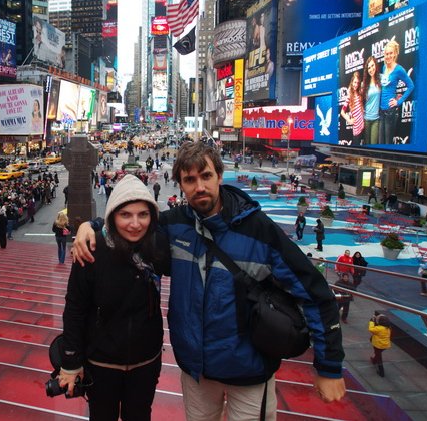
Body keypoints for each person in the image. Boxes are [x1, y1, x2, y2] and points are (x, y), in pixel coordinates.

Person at [72, 141, 346, 419]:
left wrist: (329, 366)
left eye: (205, 176)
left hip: (249, 370)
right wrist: (90, 226)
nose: (199, 186)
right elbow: (131, 221)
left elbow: (315, 293)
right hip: (197, 371)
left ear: (219, 174)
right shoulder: (174, 224)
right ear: (180, 183)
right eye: (189, 179)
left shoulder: (260, 230)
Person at [58, 175, 169, 418]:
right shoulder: (92, 249)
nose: (135, 223)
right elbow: (75, 308)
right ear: (113, 216)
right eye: (125, 215)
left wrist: (91, 222)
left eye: (143, 214)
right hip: (102, 364)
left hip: (145, 362)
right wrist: (70, 362)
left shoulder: (158, 245)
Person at [378, 40, 414, 145]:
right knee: (380, 143)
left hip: (390, 111)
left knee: (387, 144)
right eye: (386, 54)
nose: (388, 56)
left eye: (390, 53)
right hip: (381, 111)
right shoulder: (384, 67)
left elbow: (411, 86)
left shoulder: (399, 69)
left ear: (394, 54)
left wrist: (398, 102)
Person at [340, 71, 365, 146]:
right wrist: (349, 120)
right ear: (352, 82)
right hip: (356, 128)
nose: (356, 85)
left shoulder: (359, 92)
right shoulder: (349, 96)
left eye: (357, 83)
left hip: (363, 125)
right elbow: (342, 112)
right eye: (354, 82)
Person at [361, 57, 381, 144]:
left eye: (372, 66)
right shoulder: (364, 84)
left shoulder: (380, 80)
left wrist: (396, 97)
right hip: (366, 119)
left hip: (376, 120)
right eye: (369, 67)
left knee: (373, 145)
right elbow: (360, 100)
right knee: (367, 145)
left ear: (375, 66)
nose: (371, 69)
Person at [369, 313, 392, 378]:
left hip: (378, 345)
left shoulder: (379, 329)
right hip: (385, 345)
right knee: (378, 354)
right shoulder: (388, 328)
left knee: (379, 358)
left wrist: (371, 321)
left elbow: (371, 329)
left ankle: (381, 372)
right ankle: (374, 360)